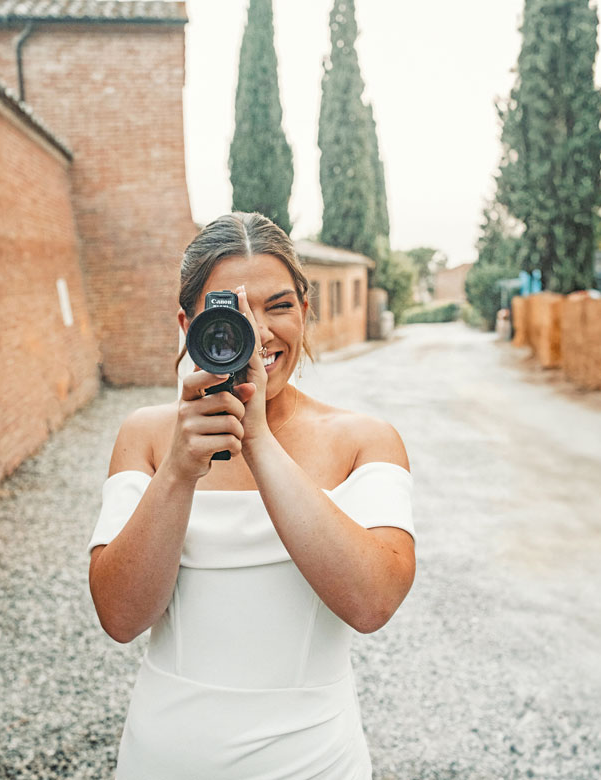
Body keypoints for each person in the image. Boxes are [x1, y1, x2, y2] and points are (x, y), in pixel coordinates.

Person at [87, 212, 416, 778]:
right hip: (165, 758)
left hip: (314, 761)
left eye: (279, 306)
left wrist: (257, 438)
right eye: (231, 310)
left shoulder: (364, 440)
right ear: (187, 322)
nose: (258, 332)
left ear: (306, 312)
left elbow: (372, 603)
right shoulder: (145, 436)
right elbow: (120, 616)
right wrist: (178, 472)